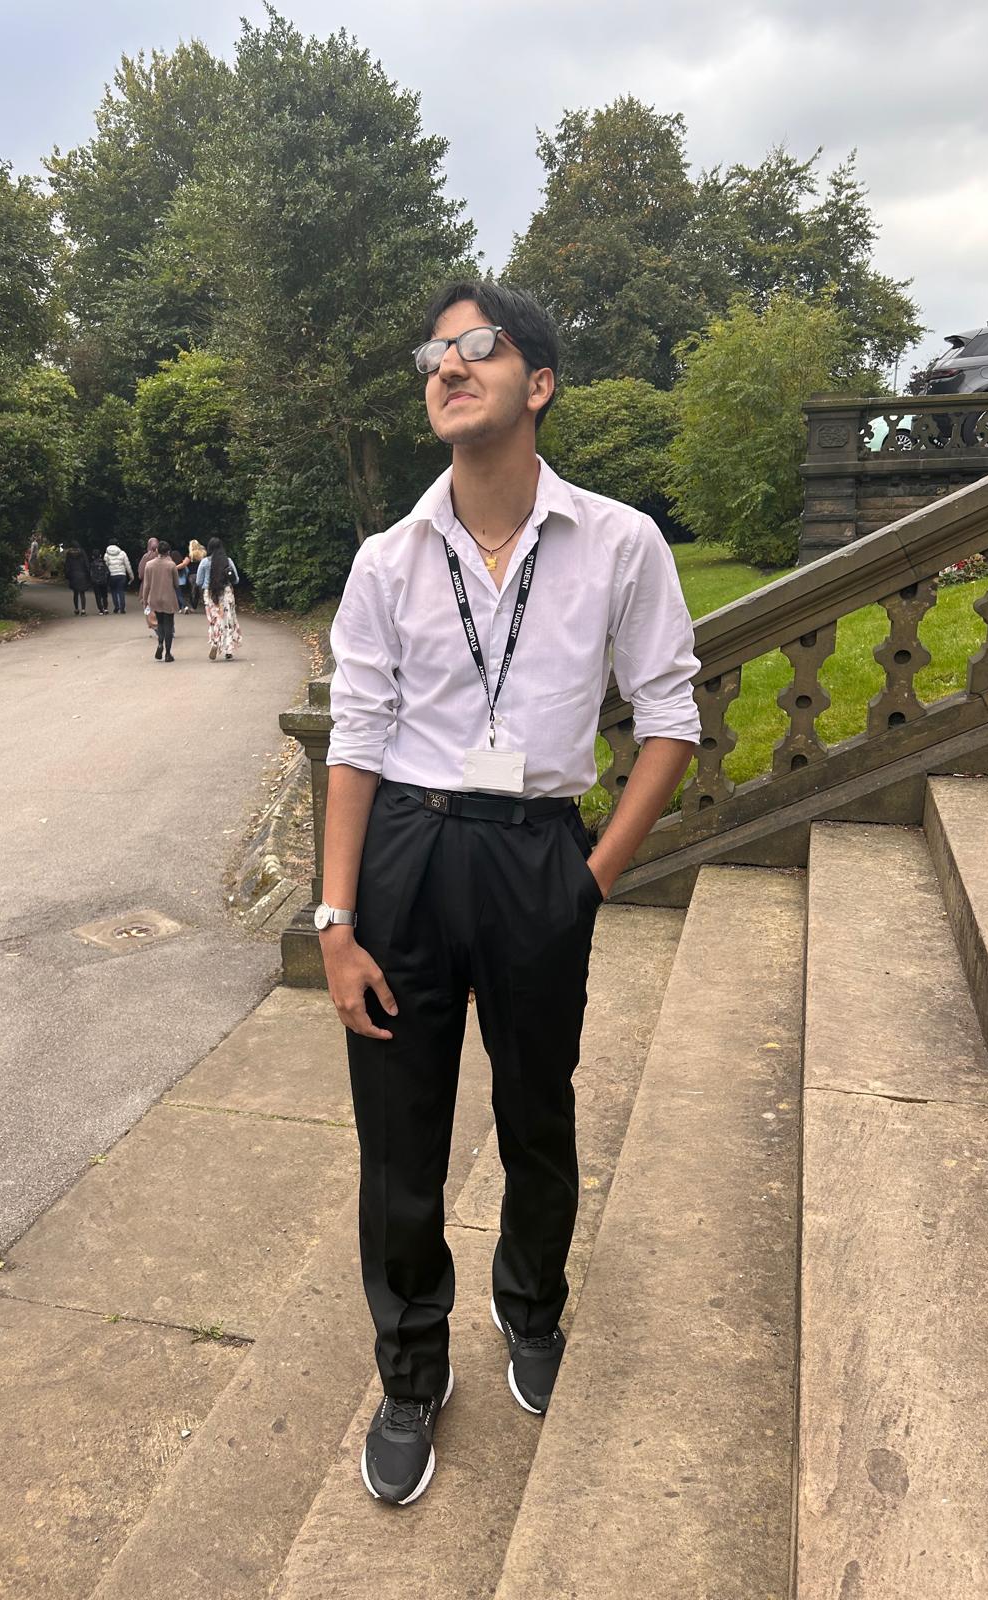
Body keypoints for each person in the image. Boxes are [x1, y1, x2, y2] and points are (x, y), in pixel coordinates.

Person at [320, 281, 701, 1507]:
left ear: (537, 382)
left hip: (540, 855)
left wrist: (588, 883)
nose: (448, 364)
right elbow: (355, 740)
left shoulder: (619, 543)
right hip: (408, 858)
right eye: (433, 351)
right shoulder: (388, 559)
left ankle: (531, 1303)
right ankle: (410, 1366)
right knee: (400, 1138)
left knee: (541, 1110)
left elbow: (672, 720)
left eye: (476, 345)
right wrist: (335, 921)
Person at [197, 538, 242, 661]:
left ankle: (215, 641)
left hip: (211, 594)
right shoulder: (228, 561)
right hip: (226, 593)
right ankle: (228, 650)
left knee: (215, 619)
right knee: (228, 620)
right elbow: (236, 580)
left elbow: (199, 581)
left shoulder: (204, 562)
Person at [141, 539, 179, 662]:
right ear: (168, 552)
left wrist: (145, 599)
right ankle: (168, 653)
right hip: (168, 598)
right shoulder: (171, 565)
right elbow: (176, 583)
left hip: (154, 597)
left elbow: (146, 585)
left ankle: (160, 643)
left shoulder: (149, 565)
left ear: (157, 550)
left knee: (160, 623)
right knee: (169, 624)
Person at [103, 543, 134, 612]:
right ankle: (122, 608)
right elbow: (127, 565)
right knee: (121, 591)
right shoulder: (122, 553)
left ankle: (116, 606)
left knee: (114, 591)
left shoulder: (106, 555)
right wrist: (131, 576)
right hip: (122, 574)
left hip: (112, 575)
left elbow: (105, 566)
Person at [63, 543, 91, 615]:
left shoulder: (69, 554)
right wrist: (88, 574)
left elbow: (67, 565)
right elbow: (86, 563)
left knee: (75, 593)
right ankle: (83, 610)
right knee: (82, 593)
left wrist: (67, 575)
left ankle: (76, 609)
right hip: (82, 574)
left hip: (73, 575)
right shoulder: (82, 553)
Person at [186, 539, 207, 610]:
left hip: (192, 574)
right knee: (202, 590)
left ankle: (193, 606)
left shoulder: (190, 555)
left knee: (193, 590)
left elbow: (185, 563)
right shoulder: (203, 553)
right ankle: (206, 604)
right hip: (202, 573)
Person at [89, 550, 111, 614]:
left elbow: (90, 573)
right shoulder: (103, 563)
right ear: (100, 555)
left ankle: (101, 610)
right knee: (104, 595)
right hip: (103, 581)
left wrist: (92, 580)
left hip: (95, 582)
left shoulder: (92, 564)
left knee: (98, 596)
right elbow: (108, 572)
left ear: (93, 556)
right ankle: (106, 608)